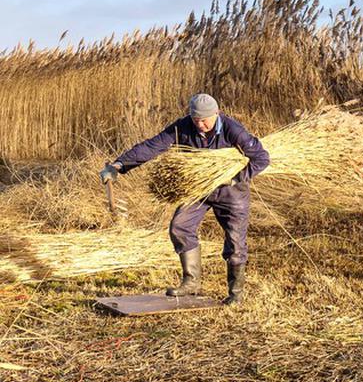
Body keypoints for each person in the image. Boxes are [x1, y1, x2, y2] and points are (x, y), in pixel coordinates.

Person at [99, 94, 270, 305]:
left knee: (235, 242)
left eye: (204, 120)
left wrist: (234, 178)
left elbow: (262, 158)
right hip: (198, 189)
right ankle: (191, 282)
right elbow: (153, 146)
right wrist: (119, 165)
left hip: (230, 193)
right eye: (195, 119)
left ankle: (236, 293)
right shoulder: (184, 126)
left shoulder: (232, 129)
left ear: (216, 114)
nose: (200, 124)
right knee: (180, 227)